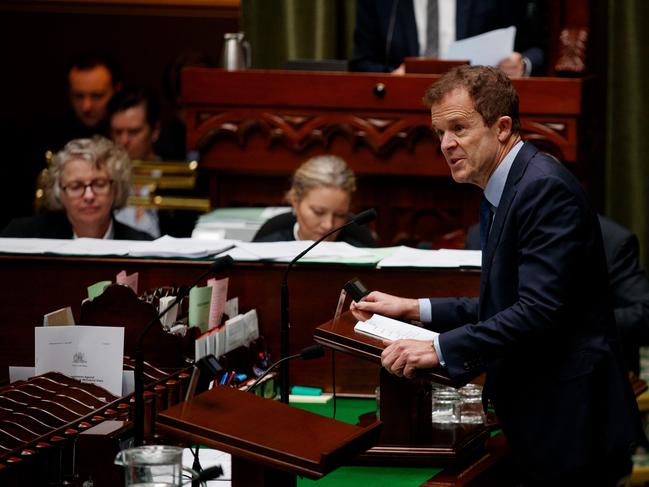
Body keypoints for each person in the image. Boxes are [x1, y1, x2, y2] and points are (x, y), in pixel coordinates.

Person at [350, 66, 642, 485]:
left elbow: (538, 311)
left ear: (501, 127)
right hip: (547, 415)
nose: (446, 144)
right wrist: (416, 308)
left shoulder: (542, 188)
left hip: (572, 420)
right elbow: (507, 302)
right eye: (439, 133)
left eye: (458, 129)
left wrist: (440, 349)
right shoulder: (502, 188)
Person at [466, 215, 649, 376]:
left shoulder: (611, 239)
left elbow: (643, 313)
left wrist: (572, 322)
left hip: (588, 376)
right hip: (497, 376)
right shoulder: (481, 233)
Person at [1, 136, 152, 240]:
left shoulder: (142, 245)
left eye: (99, 184)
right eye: (76, 186)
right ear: (59, 192)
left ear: (116, 188)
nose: (89, 196)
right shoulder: (21, 236)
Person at [349, 0, 545, 76]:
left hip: (481, 106)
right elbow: (360, 64)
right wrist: (393, 77)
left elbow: (537, 50)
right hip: (406, 104)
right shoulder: (382, 4)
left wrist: (522, 65)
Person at [253, 155, 376, 247]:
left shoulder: (361, 245)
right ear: (295, 200)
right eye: (318, 212)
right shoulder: (266, 243)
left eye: (340, 215)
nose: (328, 225)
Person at [108, 85, 162, 237]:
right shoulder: (103, 179)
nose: (123, 141)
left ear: (155, 130)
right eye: (117, 132)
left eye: (134, 132)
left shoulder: (177, 180)